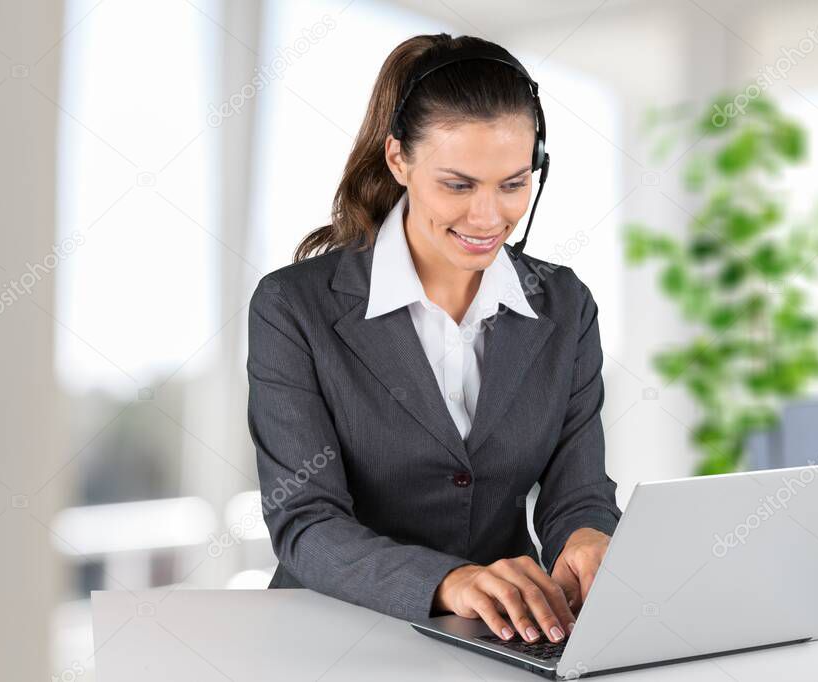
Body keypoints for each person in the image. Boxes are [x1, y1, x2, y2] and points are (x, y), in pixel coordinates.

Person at [246, 32, 621, 646]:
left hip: (507, 637)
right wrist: (451, 579)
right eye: (458, 184)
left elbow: (577, 491)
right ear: (398, 160)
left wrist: (585, 535)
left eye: (513, 184)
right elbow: (305, 522)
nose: (488, 217)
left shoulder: (565, 305)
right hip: (334, 636)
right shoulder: (294, 306)